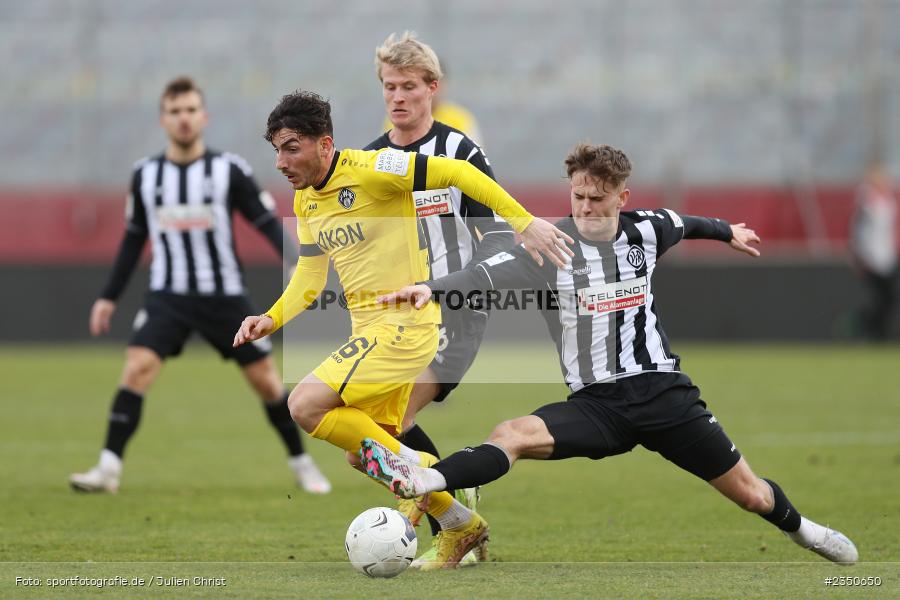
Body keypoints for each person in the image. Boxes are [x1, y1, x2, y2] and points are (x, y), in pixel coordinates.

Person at [364, 143, 859, 565]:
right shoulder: (547, 247)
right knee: (510, 435)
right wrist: (430, 288)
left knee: (752, 495)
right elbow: (481, 276)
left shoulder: (649, 229)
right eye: (578, 197)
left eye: (598, 199)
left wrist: (729, 231)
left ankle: (806, 532)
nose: (585, 208)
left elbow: (688, 224)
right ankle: (425, 479)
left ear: (622, 198)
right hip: (597, 406)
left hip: (666, 396)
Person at [232, 91, 573, 569]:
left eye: (291, 148)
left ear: (324, 144)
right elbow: (310, 275)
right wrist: (270, 318)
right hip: (371, 332)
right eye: (276, 150)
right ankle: (460, 521)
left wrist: (524, 221)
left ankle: (432, 474)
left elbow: (458, 173)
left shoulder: (374, 168)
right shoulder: (305, 199)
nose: (281, 162)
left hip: (405, 327)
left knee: (304, 404)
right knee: (364, 454)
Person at [70, 77, 331, 495]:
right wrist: (108, 297)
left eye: (191, 110)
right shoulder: (145, 175)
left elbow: (264, 221)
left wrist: (299, 263)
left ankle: (303, 465)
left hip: (224, 296)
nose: (184, 119)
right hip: (167, 296)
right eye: (175, 111)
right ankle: (107, 468)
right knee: (136, 369)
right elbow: (134, 238)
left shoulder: (228, 170)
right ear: (163, 120)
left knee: (266, 381)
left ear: (203, 117)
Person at [365, 32, 516, 565]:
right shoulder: (372, 160)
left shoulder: (460, 151)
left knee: (388, 422)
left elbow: (497, 235)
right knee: (373, 431)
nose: (398, 96)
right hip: (396, 316)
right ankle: (453, 493)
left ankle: (453, 525)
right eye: (390, 86)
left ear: (433, 87)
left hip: (455, 310)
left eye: (409, 86)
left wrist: (460, 283)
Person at [849, 162, 897, 341]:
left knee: (889, 300)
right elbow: (857, 232)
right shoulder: (866, 203)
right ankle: (865, 328)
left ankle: (878, 332)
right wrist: (859, 257)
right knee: (881, 299)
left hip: (888, 258)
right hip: (871, 259)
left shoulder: (888, 202)